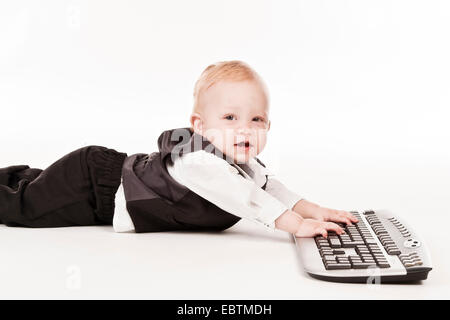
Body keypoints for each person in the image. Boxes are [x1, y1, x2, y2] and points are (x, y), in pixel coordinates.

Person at [0, 60, 357, 238]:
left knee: (35, 183)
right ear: (200, 125)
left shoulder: (242, 162)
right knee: (25, 207)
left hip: (102, 187)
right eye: (230, 117)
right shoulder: (199, 162)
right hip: (95, 185)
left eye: (257, 120)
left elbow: (270, 187)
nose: (244, 129)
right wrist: (295, 225)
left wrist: (316, 209)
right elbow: (247, 198)